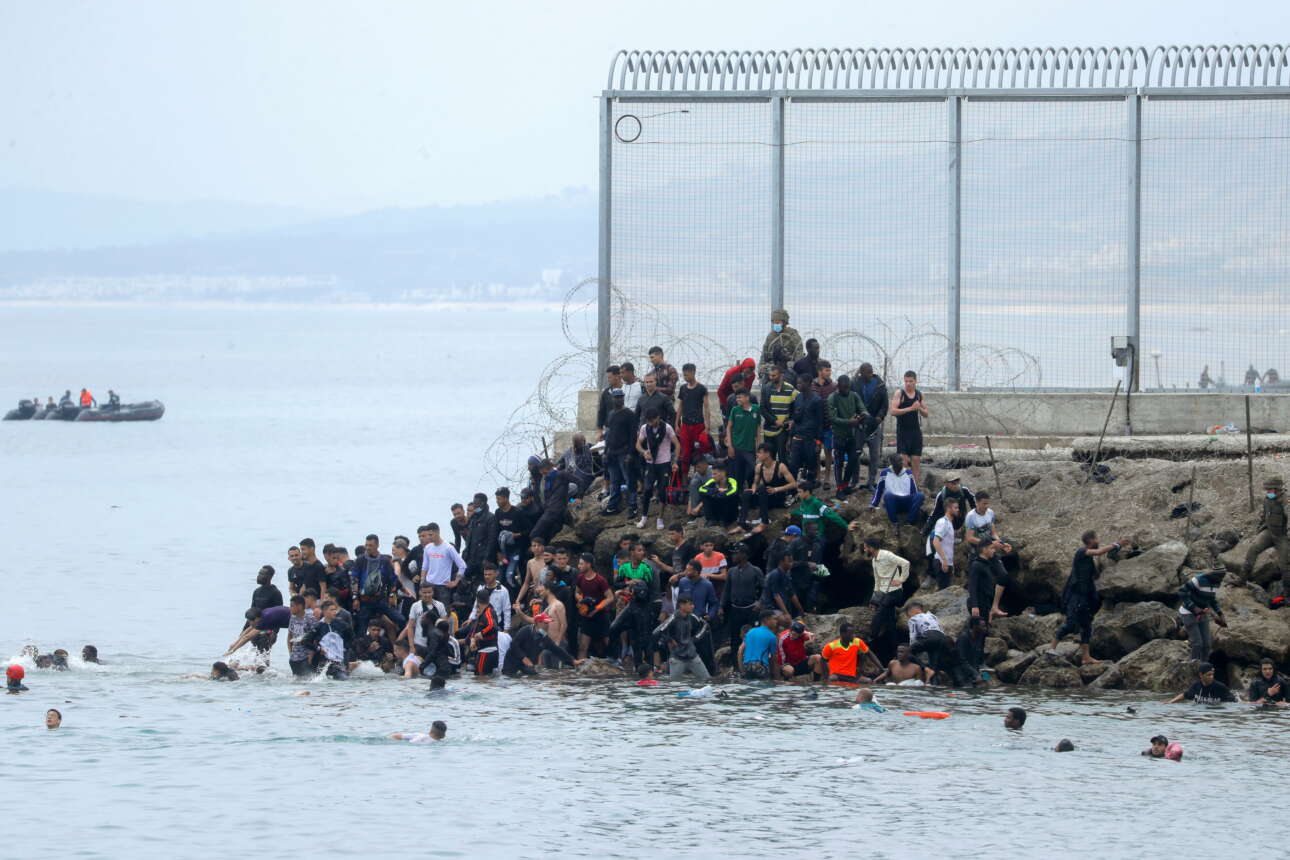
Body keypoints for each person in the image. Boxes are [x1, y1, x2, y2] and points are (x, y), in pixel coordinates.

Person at [1048, 531, 1124, 664]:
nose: (1098, 540)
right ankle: (1051, 649)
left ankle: (1086, 657)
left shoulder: (1088, 559)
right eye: (1097, 538)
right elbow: (1099, 552)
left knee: (1087, 626)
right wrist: (1116, 544)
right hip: (1075, 597)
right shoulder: (1081, 552)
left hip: (1085, 598)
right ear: (1091, 540)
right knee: (1070, 624)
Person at [964, 491, 1013, 620]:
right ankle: (979, 611)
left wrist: (1002, 544)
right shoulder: (971, 517)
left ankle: (995, 607)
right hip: (978, 554)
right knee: (979, 583)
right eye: (984, 503)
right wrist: (988, 543)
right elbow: (969, 538)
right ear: (977, 502)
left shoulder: (990, 513)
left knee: (1003, 576)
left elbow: (993, 533)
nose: (986, 506)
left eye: (988, 503)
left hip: (991, 551)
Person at [350, 534, 407, 634]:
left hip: (380, 600)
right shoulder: (360, 560)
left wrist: (392, 595)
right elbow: (354, 579)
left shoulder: (384, 561)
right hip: (364, 601)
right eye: (366, 545)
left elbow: (393, 579)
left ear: (377, 545)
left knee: (401, 620)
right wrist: (355, 598)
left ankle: (402, 640)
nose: (368, 548)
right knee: (361, 629)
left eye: (370, 545)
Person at [862, 537, 911, 648]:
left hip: (895, 592)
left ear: (871, 548)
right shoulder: (874, 561)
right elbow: (877, 581)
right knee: (890, 622)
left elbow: (906, 563)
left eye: (865, 548)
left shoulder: (887, 555)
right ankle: (895, 647)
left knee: (880, 611)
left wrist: (901, 580)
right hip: (884, 594)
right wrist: (874, 599)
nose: (864, 550)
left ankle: (871, 637)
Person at [636, 406, 678, 531]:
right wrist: (644, 452)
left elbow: (677, 444)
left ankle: (660, 518)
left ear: (658, 417)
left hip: (664, 463)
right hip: (651, 463)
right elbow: (638, 444)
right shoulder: (645, 428)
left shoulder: (667, 428)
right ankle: (644, 517)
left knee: (662, 491)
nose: (651, 423)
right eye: (648, 421)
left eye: (652, 420)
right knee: (647, 489)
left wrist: (675, 461)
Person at [907, 601, 969, 685]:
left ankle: (926, 669)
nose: (909, 617)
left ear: (911, 611)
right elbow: (940, 630)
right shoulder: (932, 616)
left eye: (908, 615)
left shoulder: (913, 619)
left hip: (929, 638)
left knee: (908, 653)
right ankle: (935, 682)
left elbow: (913, 637)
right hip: (942, 639)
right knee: (934, 667)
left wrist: (912, 649)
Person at [1243, 476, 1288, 586]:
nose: (1267, 492)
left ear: (1277, 489)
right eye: (1266, 489)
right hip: (1269, 532)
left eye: (1270, 489)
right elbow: (1264, 516)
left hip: (1282, 536)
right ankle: (1242, 578)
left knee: (1285, 565)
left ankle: (1287, 593)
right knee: (1253, 549)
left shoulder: (1286, 499)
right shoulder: (1267, 499)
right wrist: (1259, 528)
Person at [723, 545, 765, 662]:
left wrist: (760, 602)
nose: (733, 556)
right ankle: (736, 665)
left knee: (753, 636)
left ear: (744, 555)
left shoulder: (755, 570)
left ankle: (754, 662)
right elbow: (726, 590)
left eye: (736, 553)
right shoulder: (731, 571)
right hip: (735, 609)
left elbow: (765, 588)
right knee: (734, 638)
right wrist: (721, 606)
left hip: (751, 609)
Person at [744, 442, 797, 533]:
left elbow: (794, 484)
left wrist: (776, 489)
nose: (757, 454)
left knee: (762, 488)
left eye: (760, 452)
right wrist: (753, 489)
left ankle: (764, 522)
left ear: (767, 454)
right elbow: (755, 483)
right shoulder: (759, 467)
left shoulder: (780, 466)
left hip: (778, 498)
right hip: (765, 497)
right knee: (746, 493)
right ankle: (741, 523)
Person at [502, 612, 578, 676]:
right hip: (512, 661)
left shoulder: (544, 638)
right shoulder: (525, 630)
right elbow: (513, 645)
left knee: (534, 678)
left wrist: (572, 661)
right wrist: (524, 658)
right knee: (508, 678)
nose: (547, 625)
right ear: (538, 623)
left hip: (527, 664)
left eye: (548, 623)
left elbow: (557, 650)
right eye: (545, 623)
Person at [1178, 568, 1228, 661]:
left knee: (1207, 645)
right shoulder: (1198, 580)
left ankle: (1203, 666)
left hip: (1202, 613)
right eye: (1219, 576)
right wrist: (1194, 607)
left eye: (1222, 577)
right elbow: (1182, 591)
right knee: (1197, 644)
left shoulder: (1217, 583)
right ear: (1213, 574)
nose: (1221, 579)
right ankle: (1193, 665)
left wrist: (1220, 614)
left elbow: (1212, 599)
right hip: (1188, 613)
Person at [827, 373, 864, 496]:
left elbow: (862, 408)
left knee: (853, 459)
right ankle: (839, 489)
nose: (846, 390)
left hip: (851, 435)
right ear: (838, 386)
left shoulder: (854, 395)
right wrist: (849, 422)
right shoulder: (832, 398)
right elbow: (832, 418)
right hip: (839, 436)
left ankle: (845, 485)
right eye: (844, 388)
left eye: (848, 387)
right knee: (839, 463)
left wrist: (862, 415)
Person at [603, 388, 639, 517]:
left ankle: (633, 507)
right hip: (612, 453)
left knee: (630, 481)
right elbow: (608, 434)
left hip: (624, 452)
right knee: (614, 482)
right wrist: (605, 452)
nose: (619, 399)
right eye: (617, 397)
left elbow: (633, 436)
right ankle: (612, 507)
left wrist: (630, 453)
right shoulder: (611, 414)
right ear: (612, 399)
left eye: (621, 397)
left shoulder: (629, 414)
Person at [854, 363, 888, 490]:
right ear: (861, 373)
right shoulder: (855, 384)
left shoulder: (880, 385)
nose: (870, 374)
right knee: (855, 454)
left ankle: (871, 482)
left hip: (874, 425)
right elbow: (851, 401)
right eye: (867, 372)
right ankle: (855, 481)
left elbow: (884, 404)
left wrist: (880, 417)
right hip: (859, 424)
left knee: (874, 455)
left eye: (871, 371)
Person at [661, 595, 710, 682]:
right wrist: (670, 640)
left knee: (707, 680)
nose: (693, 606)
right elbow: (662, 631)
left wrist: (695, 638)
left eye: (692, 604)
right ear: (681, 605)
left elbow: (705, 626)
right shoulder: (674, 617)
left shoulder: (692, 617)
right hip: (677, 657)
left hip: (692, 655)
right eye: (690, 604)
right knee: (674, 684)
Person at [890, 370, 927, 484]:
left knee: (916, 461)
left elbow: (926, 413)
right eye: (906, 381)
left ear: (915, 381)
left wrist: (919, 408)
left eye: (911, 381)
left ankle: (914, 486)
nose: (908, 384)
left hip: (915, 432)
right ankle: (903, 485)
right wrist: (910, 408)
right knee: (904, 461)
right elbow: (893, 411)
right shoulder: (900, 394)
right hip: (903, 432)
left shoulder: (919, 395)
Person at [675, 362, 711, 479]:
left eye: (687, 375)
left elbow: (706, 407)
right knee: (685, 453)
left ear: (693, 373)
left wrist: (707, 425)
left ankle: (698, 476)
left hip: (698, 425)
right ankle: (684, 477)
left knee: (698, 452)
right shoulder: (683, 388)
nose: (685, 377)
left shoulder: (702, 389)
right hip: (685, 426)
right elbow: (680, 406)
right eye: (684, 375)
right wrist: (677, 423)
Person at [574, 553, 613, 659]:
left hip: (601, 616)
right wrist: (581, 600)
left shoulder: (600, 580)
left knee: (607, 643)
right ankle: (580, 666)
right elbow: (576, 592)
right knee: (583, 646)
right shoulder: (580, 578)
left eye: (581, 564)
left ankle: (614, 661)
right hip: (586, 616)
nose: (579, 566)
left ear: (589, 564)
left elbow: (610, 597)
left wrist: (596, 609)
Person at [725, 388, 763, 493]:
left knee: (752, 471)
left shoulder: (756, 409)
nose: (737, 399)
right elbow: (729, 427)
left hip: (750, 448)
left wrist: (758, 446)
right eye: (736, 397)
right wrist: (730, 446)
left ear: (747, 397)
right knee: (737, 476)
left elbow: (758, 428)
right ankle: (737, 496)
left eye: (740, 397)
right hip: (736, 448)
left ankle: (751, 495)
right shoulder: (735, 410)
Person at [788, 372, 824, 483]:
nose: (798, 385)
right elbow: (795, 419)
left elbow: (820, 423)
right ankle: (792, 490)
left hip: (810, 440)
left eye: (800, 383)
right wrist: (790, 438)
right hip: (797, 438)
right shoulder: (798, 398)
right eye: (797, 383)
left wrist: (819, 442)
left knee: (811, 467)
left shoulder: (817, 400)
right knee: (793, 466)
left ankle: (809, 489)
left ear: (808, 383)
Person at [870, 454, 924, 527]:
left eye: (901, 461)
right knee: (888, 495)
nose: (901, 463)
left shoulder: (908, 472)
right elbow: (879, 490)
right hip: (893, 502)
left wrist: (916, 504)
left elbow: (913, 491)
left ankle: (909, 522)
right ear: (892, 463)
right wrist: (874, 504)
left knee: (920, 495)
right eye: (898, 461)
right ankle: (894, 522)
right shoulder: (885, 473)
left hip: (906, 501)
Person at [418, 523, 466, 604]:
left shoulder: (448, 548)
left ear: (438, 533)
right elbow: (425, 566)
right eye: (428, 535)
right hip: (429, 584)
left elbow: (462, 565)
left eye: (431, 535)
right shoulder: (428, 548)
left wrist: (455, 582)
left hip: (443, 586)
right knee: (427, 609)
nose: (429, 537)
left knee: (443, 610)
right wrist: (422, 581)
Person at [459, 588, 502, 676]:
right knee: (487, 677)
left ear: (477, 600)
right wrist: (473, 639)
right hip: (488, 650)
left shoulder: (488, 611)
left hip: (487, 651)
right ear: (489, 599)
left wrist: (481, 633)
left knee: (480, 677)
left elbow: (492, 625)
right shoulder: (482, 614)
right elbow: (472, 634)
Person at [760, 365, 798, 464]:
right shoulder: (766, 388)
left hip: (783, 429)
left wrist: (791, 421)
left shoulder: (790, 389)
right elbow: (762, 408)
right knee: (769, 458)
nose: (771, 378)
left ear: (781, 375)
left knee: (783, 458)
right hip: (769, 429)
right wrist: (774, 421)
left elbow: (795, 408)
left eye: (774, 375)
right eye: (770, 375)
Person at [760, 309, 804, 384]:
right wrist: (762, 367)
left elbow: (799, 353)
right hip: (772, 366)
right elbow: (764, 354)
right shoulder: (770, 336)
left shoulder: (793, 335)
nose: (776, 324)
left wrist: (793, 365)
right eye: (774, 322)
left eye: (778, 322)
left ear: (784, 322)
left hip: (789, 366)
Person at [925, 498, 960, 589]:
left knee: (945, 590)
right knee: (943, 591)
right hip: (941, 562)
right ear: (948, 508)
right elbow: (936, 541)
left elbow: (948, 546)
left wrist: (950, 564)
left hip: (946, 562)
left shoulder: (949, 523)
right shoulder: (943, 522)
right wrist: (944, 560)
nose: (958, 510)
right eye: (955, 508)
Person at [737, 610, 781, 680]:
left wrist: (742, 671)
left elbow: (740, 651)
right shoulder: (772, 637)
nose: (776, 621)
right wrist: (777, 680)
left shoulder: (750, 632)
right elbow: (775, 660)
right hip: (760, 666)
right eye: (774, 619)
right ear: (766, 620)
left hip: (747, 666)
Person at [1167, 661, 1236, 704]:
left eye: (1212, 674)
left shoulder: (1220, 687)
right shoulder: (1196, 686)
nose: (1211, 677)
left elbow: (1235, 701)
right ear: (1201, 675)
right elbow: (1185, 695)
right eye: (1209, 675)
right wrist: (1170, 702)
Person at [698, 462, 740, 527]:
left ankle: (723, 521)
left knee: (727, 496)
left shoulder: (732, 481)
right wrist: (716, 491)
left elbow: (733, 491)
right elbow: (701, 489)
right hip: (716, 512)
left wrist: (720, 494)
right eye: (712, 474)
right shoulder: (712, 481)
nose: (712, 476)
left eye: (715, 474)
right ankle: (711, 520)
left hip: (730, 515)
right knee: (705, 495)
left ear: (723, 473)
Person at [286, 595, 320, 677]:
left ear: (300, 606)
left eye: (292, 606)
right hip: (294, 658)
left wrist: (311, 656)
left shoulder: (310, 619)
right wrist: (290, 653)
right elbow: (290, 635)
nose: (290, 608)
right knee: (296, 681)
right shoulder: (292, 618)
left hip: (306, 658)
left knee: (309, 680)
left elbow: (316, 638)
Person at [558, 436, 595, 500]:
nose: (579, 446)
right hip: (572, 482)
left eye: (581, 444)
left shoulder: (587, 448)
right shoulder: (568, 452)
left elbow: (599, 447)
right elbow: (560, 465)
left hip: (584, 482)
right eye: (578, 444)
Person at [765, 553, 802, 617]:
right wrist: (786, 614)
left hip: (780, 608)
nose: (791, 563)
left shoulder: (786, 575)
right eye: (789, 561)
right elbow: (776, 596)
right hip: (771, 609)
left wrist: (801, 610)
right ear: (781, 562)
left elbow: (792, 594)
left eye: (792, 561)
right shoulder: (775, 574)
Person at [595, 365, 623, 441]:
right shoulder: (606, 393)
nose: (608, 380)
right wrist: (599, 430)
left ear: (617, 376)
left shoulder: (625, 390)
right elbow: (601, 412)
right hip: (609, 429)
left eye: (610, 377)